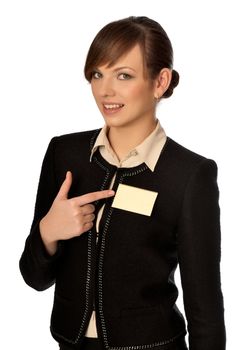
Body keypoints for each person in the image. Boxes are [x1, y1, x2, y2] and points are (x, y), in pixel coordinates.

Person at [19, 16, 226, 350]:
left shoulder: (188, 175)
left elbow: (206, 310)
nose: (105, 90)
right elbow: (34, 277)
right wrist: (48, 233)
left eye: (124, 75)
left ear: (161, 82)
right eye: (97, 74)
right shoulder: (66, 154)